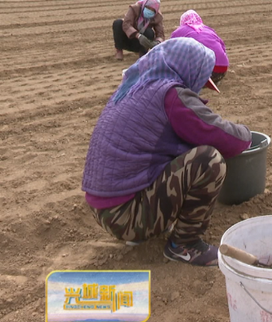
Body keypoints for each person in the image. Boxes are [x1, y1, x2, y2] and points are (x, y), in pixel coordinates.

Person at [82, 38, 252, 267]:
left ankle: (144, 229)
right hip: (125, 215)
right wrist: (247, 134)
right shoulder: (170, 95)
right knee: (208, 160)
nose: (199, 86)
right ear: (188, 69)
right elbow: (225, 138)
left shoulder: (137, 86)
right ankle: (185, 245)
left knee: (181, 149)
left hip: (106, 209)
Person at [171, 10, 229, 87]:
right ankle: (214, 80)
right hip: (221, 69)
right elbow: (223, 48)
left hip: (203, 72)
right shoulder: (209, 29)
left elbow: (170, 50)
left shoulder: (180, 31)